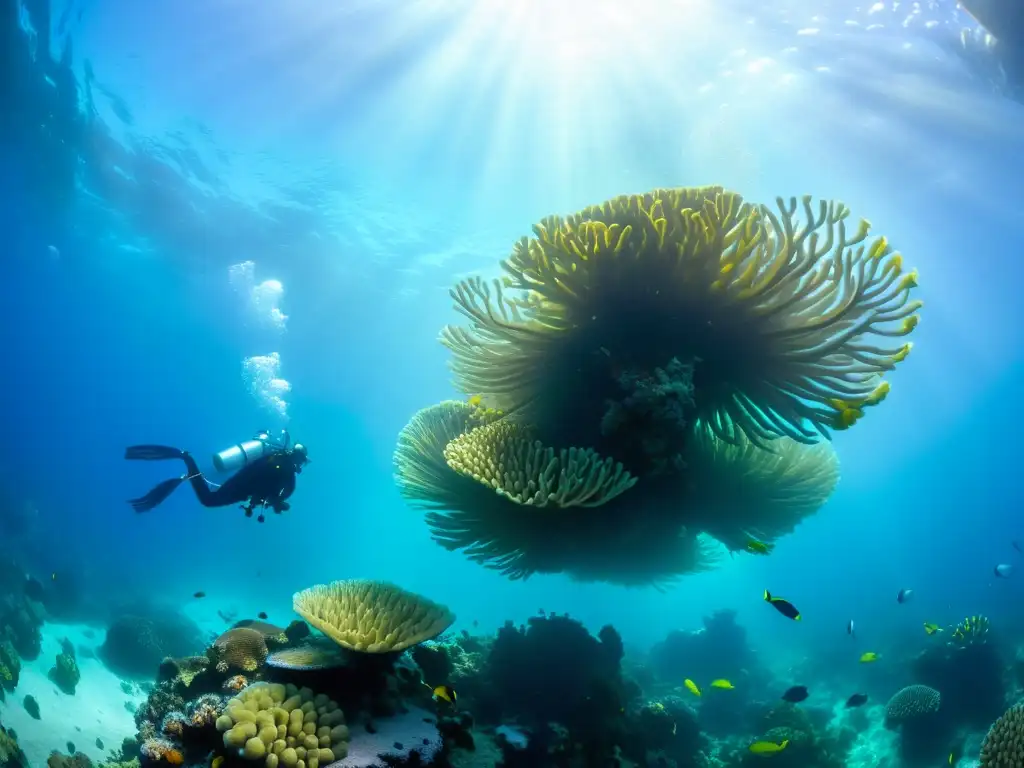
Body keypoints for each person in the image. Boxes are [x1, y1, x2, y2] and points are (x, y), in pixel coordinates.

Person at [125, 430, 309, 522]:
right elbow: (270, 487)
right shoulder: (285, 469)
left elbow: (264, 480)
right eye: (302, 461)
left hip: (242, 483)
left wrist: (271, 500)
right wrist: (276, 502)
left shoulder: (277, 460)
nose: (300, 465)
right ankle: (186, 458)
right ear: (298, 459)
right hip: (242, 487)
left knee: (210, 497)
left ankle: (190, 467)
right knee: (208, 500)